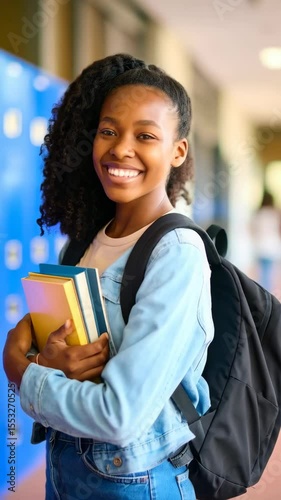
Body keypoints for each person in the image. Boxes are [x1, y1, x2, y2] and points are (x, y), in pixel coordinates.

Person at [3, 53, 214, 499]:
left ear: (178, 151)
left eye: (145, 135)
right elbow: (55, 348)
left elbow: (119, 415)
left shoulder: (177, 253)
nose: (121, 148)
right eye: (109, 131)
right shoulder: (82, 243)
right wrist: (41, 360)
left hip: (136, 483)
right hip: (66, 472)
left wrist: (23, 372)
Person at [251, 189, 281, 291]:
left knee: (262, 272)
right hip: (273, 247)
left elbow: (252, 229)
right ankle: (267, 294)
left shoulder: (258, 213)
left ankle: (263, 293)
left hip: (260, 247)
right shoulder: (275, 213)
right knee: (270, 273)